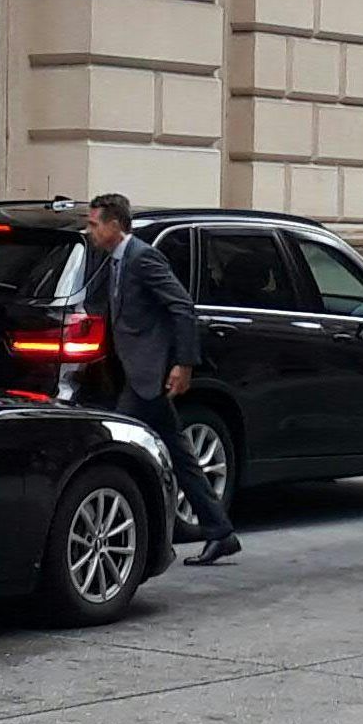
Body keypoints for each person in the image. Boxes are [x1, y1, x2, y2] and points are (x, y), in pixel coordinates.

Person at [83, 191, 240, 566]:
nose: (88, 231)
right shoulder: (110, 260)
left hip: (147, 375)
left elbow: (181, 307)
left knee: (122, 447)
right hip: (131, 372)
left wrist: (183, 364)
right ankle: (220, 531)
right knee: (180, 455)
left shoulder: (143, 258)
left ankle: (135, 533)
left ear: (114, 226)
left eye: (93, 224)